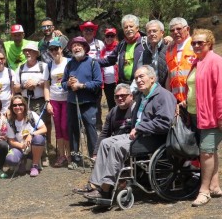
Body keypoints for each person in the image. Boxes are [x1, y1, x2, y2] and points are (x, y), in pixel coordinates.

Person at [84, 65, 176, 200]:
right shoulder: (142, 96)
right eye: (136, 78)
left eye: (141, 76)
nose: (138, 80)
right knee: (105, 143)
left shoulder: (163, 96)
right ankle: (95, 184)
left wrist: (140, 128)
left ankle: (105, 190)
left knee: (117, 146)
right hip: (139, 136)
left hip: (154, 138)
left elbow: (165, 123)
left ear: (152, 78)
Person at [73, 83, 135, 195]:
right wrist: (96, 152)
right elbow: (104, 133)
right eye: (117, 96)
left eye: (123, 95)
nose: (120, 98)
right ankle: (94, 186)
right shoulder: (113, 112)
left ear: (131, 96)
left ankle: (104, 188)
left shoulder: (135, 109)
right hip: (114, 142)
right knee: (105, 146)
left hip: (129, 143)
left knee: (113, 147)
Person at [183, 29, 222, 207]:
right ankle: (214, 185)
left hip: (211, 116)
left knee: (206, 152)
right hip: (194, 114)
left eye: (201, 43)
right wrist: (184, 102)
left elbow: (220, 92)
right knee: (209, 151)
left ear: (210, 44)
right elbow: (195, 87)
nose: (196, 45)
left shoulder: (216, 62)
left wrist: (221, 116)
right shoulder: (197, 62)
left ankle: (204, 191)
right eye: (194, 43)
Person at [61, 37, 102, 170]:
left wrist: (81, 85)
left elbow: (98, 82)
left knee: (91, 130)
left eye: (79, 45)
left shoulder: (93, 63)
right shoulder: (69, 64)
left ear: (85, 48)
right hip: (72, 102)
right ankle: (75, 158)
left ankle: (94, 157)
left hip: (88, 102)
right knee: (73, 130)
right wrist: (68, 83)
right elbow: (63, 83)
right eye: (74, 46)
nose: (76, 48)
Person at [14, 42, 51, 166]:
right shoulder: (20, 68)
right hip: (25, 102)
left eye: (30, 51)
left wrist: (37, 83)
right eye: (26, 51)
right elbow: (15, 87)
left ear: (36, 53)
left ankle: (43, 154)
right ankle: (28, 153)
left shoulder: (44, 66)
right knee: (26, 127)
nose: (27, 53)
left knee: (42, 127)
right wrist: (25, 85)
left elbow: (48, 84)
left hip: (40, 101)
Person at [5, 95, 47, 177]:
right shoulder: (10, 121)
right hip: (20, 147)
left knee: (39, 138)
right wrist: (22, 146)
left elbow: (44, 129)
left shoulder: (32, 115)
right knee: (10, 159)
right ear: (11, 107)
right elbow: (11, 141)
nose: (18, 107)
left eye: (20, 104)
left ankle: (35, 165)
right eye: (14, 105)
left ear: (24, 105)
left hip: (33, 145)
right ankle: (23, 161)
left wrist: (31, 134)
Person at [43, 40, 71, 167]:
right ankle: (61, 155)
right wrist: (47, 101)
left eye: (56, 49)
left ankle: (69, 154)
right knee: (58, 128)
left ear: (61, 48)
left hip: (67, 99)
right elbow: (46, 85)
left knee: (66, 127)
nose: (54, 52)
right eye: (52, 50)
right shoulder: (49, 66)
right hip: (54, 99)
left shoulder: (69, 62)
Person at [98, 14, 145, 85]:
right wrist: (91, 62)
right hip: (124, 84)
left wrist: (167, 39)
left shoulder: (145, 42)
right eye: (126, 27)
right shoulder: (122, 44)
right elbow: (109, 60)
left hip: (140, 84)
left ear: (137, 28)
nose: (129, 29)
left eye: (131, 26)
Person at [166, 17, 196, 103]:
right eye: (172, 30)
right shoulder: (170, 49)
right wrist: (169, 99)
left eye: (179, 29)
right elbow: (169, 76)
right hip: (177, 101)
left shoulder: (196, 45)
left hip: (194, 99)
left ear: (187, 29)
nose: (175, 32)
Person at [137, 20, 168, 88]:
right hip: (148, 92)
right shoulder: (144, 52)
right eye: (149, 31)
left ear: (162, 33)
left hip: (164, 92)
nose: (151, 34)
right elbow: (139, 73)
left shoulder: (168, 50)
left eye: (154, 31)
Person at [100, 27, 119, 110]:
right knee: (110, 104)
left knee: (120, 102)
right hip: (107, 83)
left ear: (115, 37)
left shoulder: (119, 48)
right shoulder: (102, 49)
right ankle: (112, 121)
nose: (110, 38)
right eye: (108, 36)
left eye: (112, 36)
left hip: (117, 81)